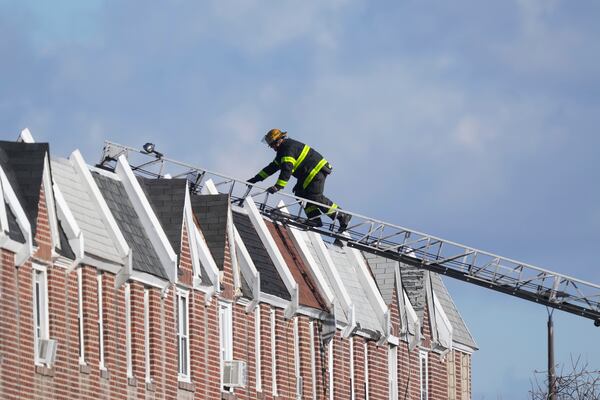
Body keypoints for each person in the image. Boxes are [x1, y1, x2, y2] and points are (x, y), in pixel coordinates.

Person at [247, 128, 351, 232]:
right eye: (271, 145)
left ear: (279, 140)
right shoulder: (282, 151)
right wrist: (255, 179)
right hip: (308, 173)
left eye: (273, 144)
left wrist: (277, 186)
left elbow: (287, 170)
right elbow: (272, 168)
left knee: (314, 196)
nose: (272, 147)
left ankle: (342, 216)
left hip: (315, 171)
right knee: (300, 194)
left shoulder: (287, 149)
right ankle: (314, 219)